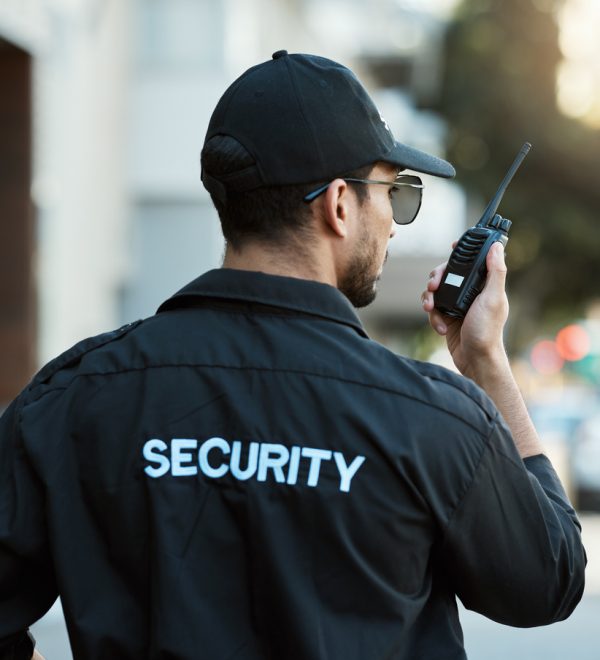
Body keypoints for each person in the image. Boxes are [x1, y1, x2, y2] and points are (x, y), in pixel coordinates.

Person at [0, 50, 585, 660]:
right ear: (338, 204)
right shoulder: (432, 419)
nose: (392, 223)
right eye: (393, 193)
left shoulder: (73, 397)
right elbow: (548, 582)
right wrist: (488, 363)